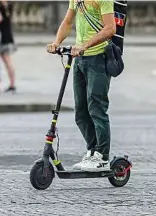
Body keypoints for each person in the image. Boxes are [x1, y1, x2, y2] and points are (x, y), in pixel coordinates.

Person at [47, 0, 116, 172]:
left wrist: (85, 45)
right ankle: (92, 151)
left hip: (98, 58)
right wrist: (56, 42)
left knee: (96, 109)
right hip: (79, 60)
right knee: (81, 112)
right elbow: (68, 21)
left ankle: (103, 157)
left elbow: (110, 28)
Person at [0, 0, 16, 93]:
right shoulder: (9, 5)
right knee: (7, 61)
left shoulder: (0, 6)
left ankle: (12, 84)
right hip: (7, 36)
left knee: (7, 61)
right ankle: (12, 83)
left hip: (2, 37)